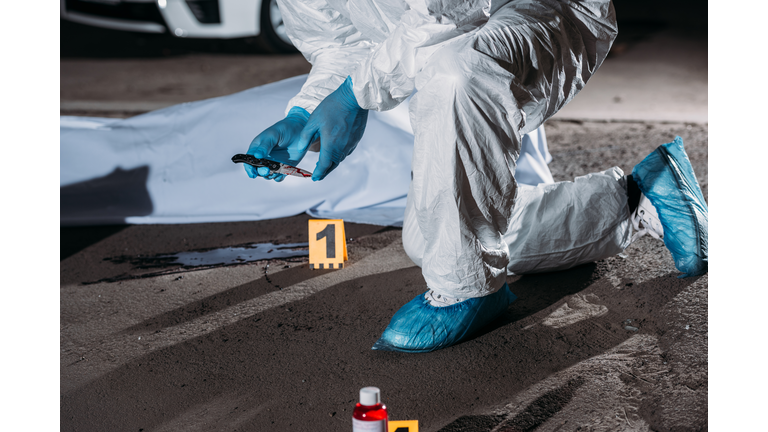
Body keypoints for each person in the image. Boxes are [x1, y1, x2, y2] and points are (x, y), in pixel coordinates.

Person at [243, 0, 708, 352]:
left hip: (537, 10)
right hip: (445, 37)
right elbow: (340, 44)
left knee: (456, 74)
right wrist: (306, 113)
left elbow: (447, 9)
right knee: (433, 241)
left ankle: (466, 291)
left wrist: (352, 98)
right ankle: (637, 198)